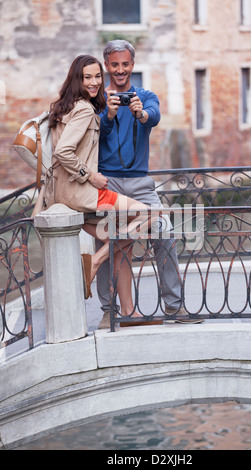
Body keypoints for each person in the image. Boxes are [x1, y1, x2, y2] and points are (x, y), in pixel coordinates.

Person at [44, 54, 162, 327]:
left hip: (62, 193)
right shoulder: (85, 109)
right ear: (77, 79)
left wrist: (132, 113)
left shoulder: (64, 106)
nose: (95, 82)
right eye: (88, 77)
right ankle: (96, 261)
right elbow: (64, 151)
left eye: (98, 76)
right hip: (83, 190)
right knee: (150, 216)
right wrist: (91, 176)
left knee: (118, 235)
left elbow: (151, 117)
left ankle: (128, 312)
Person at [97, 40, 184, 329]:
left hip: (141, 185)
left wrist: (140, 113)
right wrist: (108, 114)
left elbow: (154, 117)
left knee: (165, 233)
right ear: (107, 65)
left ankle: (175, 306)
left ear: (132, 65)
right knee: (107, 237)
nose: (120, 70)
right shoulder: (98, 100)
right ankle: (109, 310)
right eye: (114, 64)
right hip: (107, 184)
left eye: (125, 64)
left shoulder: (145, 95)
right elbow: (93, 133)